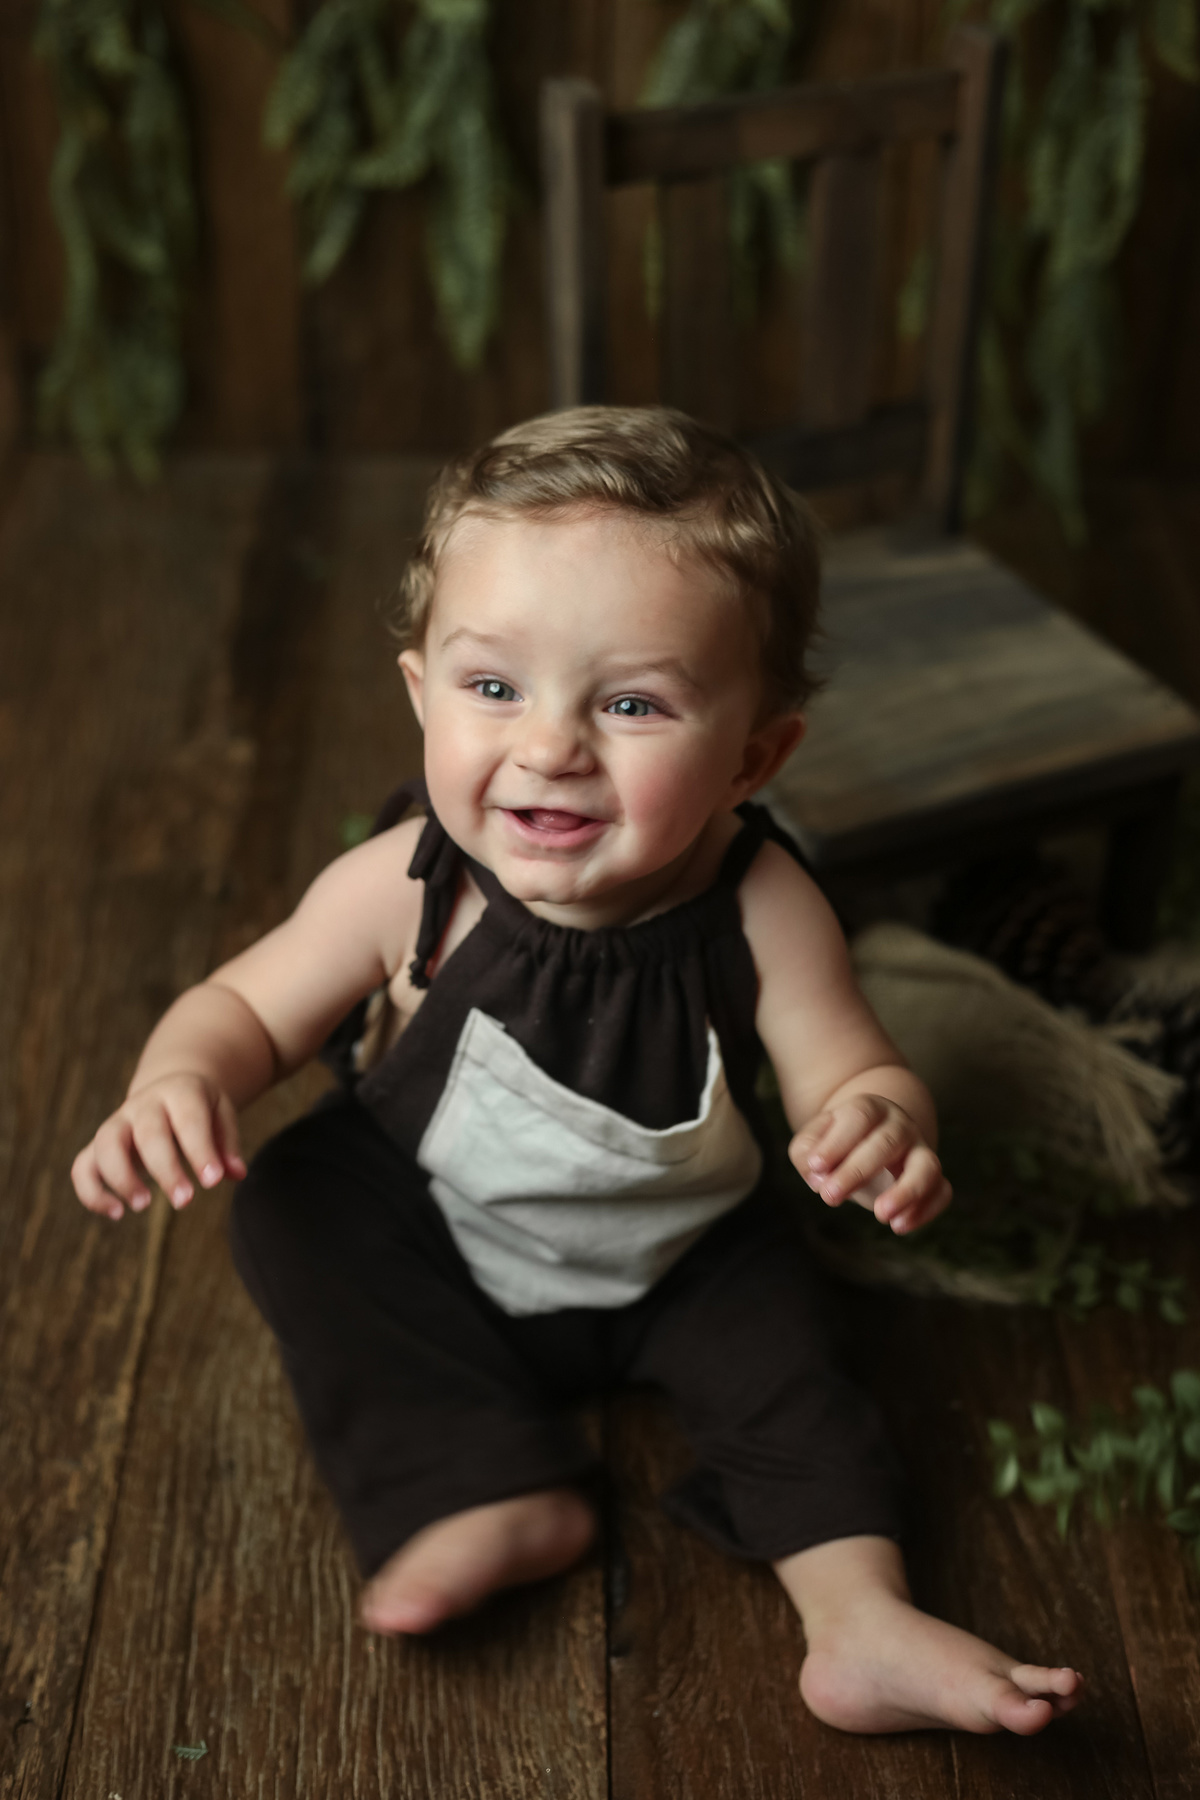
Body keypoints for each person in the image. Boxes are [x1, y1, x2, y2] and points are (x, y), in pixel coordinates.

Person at [72, 406, 1083, 1736]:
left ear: (754, 756)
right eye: (495, 689)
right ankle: (481, 1484)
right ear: (421, 693)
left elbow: (852, 1063)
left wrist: (880, 1123)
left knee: (795, 1359)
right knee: (297, 1206)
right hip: (443, 1228)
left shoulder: (765, 903)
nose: (550, 746)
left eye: (632, 704)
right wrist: (180, 1079)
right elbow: (241, 1009)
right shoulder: (410, 886)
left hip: (684, 1252)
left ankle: (860, 1618)